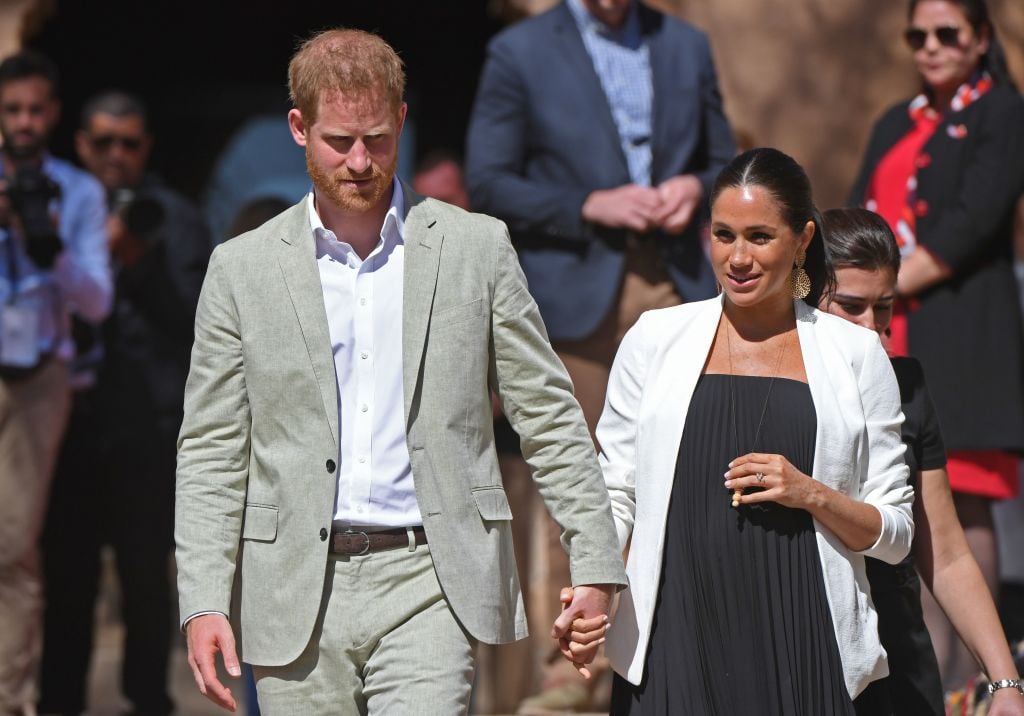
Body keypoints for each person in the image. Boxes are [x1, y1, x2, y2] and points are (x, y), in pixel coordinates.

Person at [175, 28, 626, 715]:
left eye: (378, 139)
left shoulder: (476, 249)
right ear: (299, 128)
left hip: (432, 577)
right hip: (293, 584)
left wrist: (595, 563)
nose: (360, 161)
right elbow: (212, 447)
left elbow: (548, 413)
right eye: (339, 141)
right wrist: (204, 598)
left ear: (403, 123)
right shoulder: (240, 269)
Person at [572, 147, 912, 714]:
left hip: (804, 639)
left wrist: (810, 493)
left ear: (803, 240)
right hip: (672, 633)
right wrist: (593, 585)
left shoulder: (854, 354)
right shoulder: (655, 338)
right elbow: (613, 491)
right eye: (724, 235)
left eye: (759, 237)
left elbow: (896, 534)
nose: (738, 258)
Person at [465, 4, 734, 708]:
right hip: (575, 300)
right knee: (579, 487)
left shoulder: (686, 44)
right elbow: (488, 180)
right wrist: (590, 203)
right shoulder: (519, 51)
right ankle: (573, 681)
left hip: (675, 284)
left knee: (689, 475)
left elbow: (723, 159)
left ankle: (685, 654)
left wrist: (695, 188)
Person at [848, 0, 1024, 687]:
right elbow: (858, 212)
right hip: (890, 332)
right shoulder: (897, 119)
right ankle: (926, 680)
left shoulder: (1003, 113)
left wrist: (879, 284)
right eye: (917, 35)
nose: (931, 47)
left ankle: (969, 684)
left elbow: (967, 226)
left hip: (962, 334)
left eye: (948, 33)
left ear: (980, 40)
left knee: (960, 499)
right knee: (905, 497)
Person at [35, 90, 210, 716]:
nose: (115, 155)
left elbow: (203, 327)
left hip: (148, 432)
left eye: (128, 142)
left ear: (146, 148)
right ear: (80, 143)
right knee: (67, 582)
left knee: (145, 581)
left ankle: (148, 703)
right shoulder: (52, 209)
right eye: (102, 141)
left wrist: (138, 265)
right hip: (69, 427)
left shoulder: (177, 218)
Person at [820, 207, 1024, 714]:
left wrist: (1005, 684)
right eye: (851, 306)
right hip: (807, 650)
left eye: (883, 308)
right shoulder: (769, 386)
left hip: (899, 655)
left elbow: (948, 552)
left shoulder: (906, 387)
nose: (872, 329)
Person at [0, 49, 112, 716]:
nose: (23, 121)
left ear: (53, 111)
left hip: (42, 376)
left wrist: (51, 249)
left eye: (35, 108)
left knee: (11, 544)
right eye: (12, 109)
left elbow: (96, 300)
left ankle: (9, 702)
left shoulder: (78, 192)